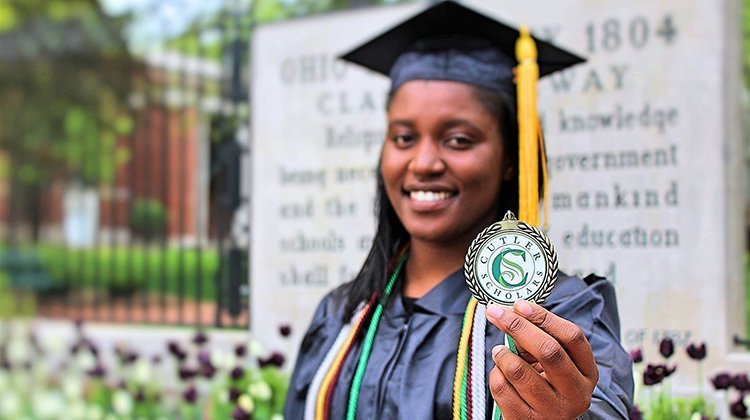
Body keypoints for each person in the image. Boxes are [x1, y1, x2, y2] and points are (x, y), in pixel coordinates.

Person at [284, 1, 634, 419]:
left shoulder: (557, 316)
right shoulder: (342, 315)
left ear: (510, 158)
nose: (424, 162)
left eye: (459, 140)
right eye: (403, 138)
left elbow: (600, 407)